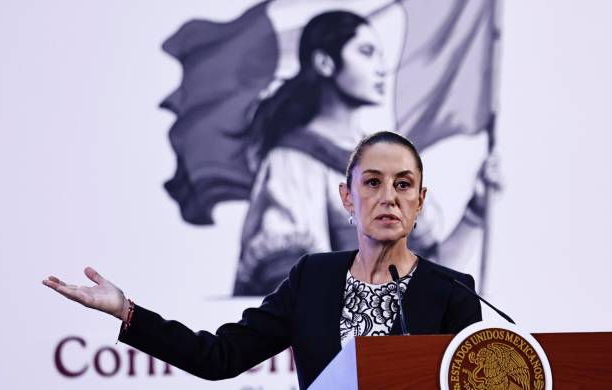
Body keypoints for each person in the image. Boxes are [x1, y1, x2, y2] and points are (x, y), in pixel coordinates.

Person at [43, 131, 483, 390]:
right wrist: (127, 311)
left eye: (404, 185)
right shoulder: (313, 278)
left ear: (421, 201)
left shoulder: (453, 292)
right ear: (347, 196)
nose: (389, 197)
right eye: (372, 182)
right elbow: (220, 356)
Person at [232, 10, 385, 295]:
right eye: (366, 52)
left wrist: (474, 213)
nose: (381, 68)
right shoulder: (293, 160)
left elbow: (425, 278)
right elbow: (289, 281)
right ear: (325, 62)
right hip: (335, 337)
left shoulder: (382, 158)